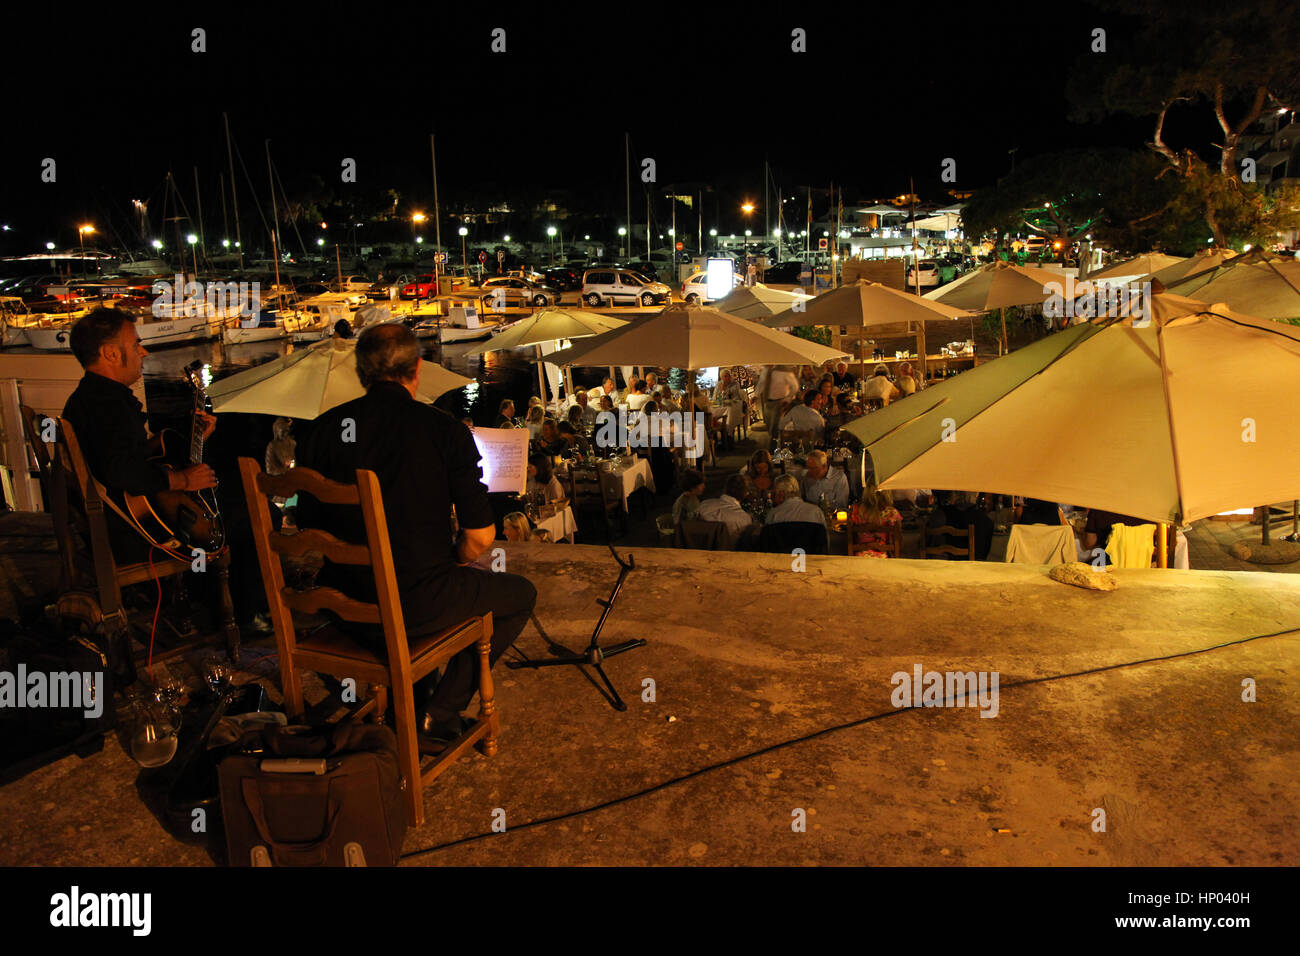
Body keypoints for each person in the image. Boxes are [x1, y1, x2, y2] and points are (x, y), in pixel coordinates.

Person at [296, 323, 536, 752]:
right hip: (412, 606)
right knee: (517, 594)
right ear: (417, 369)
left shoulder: (323, 429)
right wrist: (455, 560)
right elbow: (480, 537)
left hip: (341, 602)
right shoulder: (443, 430)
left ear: (361, 372)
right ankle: (437, 714)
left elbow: (309, 527)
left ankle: (413, 699)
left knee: (427, 583)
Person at [62, 308, 217, 562]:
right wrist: (182, 481)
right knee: (248, 517)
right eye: (136, 345)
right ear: (111, 353)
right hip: (131, 536)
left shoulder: (89, 398)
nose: (143, 352)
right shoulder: (107, 407)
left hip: (113, 525)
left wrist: (195, 441)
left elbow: (129, 455)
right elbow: (121, 470)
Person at [928, 490, 994, 560]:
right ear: (976, 495)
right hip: (974, 567)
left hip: (946, 565)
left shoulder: (941, 514)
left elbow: (930, 545)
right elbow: (985, 553)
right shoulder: (986, 521)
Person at [848, 483, 902, 558]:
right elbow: (898, 540)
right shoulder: (892, 513)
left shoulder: (856, 511)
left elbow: (851, 537)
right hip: (883, 556)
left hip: (860, 557)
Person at [759, 364, 800, 446]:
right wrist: (755, 395)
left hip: (779, 402)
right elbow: (761, 384)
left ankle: (774, 448)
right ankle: (775, 444)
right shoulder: (766, 371)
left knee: (776, 427)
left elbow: (795, 387)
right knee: (769, 426)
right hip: (768, 402)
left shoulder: (784, 371)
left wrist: (787, 399)